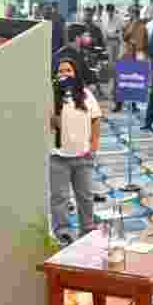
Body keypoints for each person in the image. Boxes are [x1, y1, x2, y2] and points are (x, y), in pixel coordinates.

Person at [49, 57, 102, 245]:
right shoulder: (50, 94)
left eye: (68, 70)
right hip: (58, 156)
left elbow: (96, 118)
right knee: (60, 197)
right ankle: (63, 231)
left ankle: (87, 227)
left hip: (83, 156)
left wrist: (94, 146)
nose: (64, 74)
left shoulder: (85, 94)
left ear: (75, 73)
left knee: (85, 195)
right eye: (60, 71)